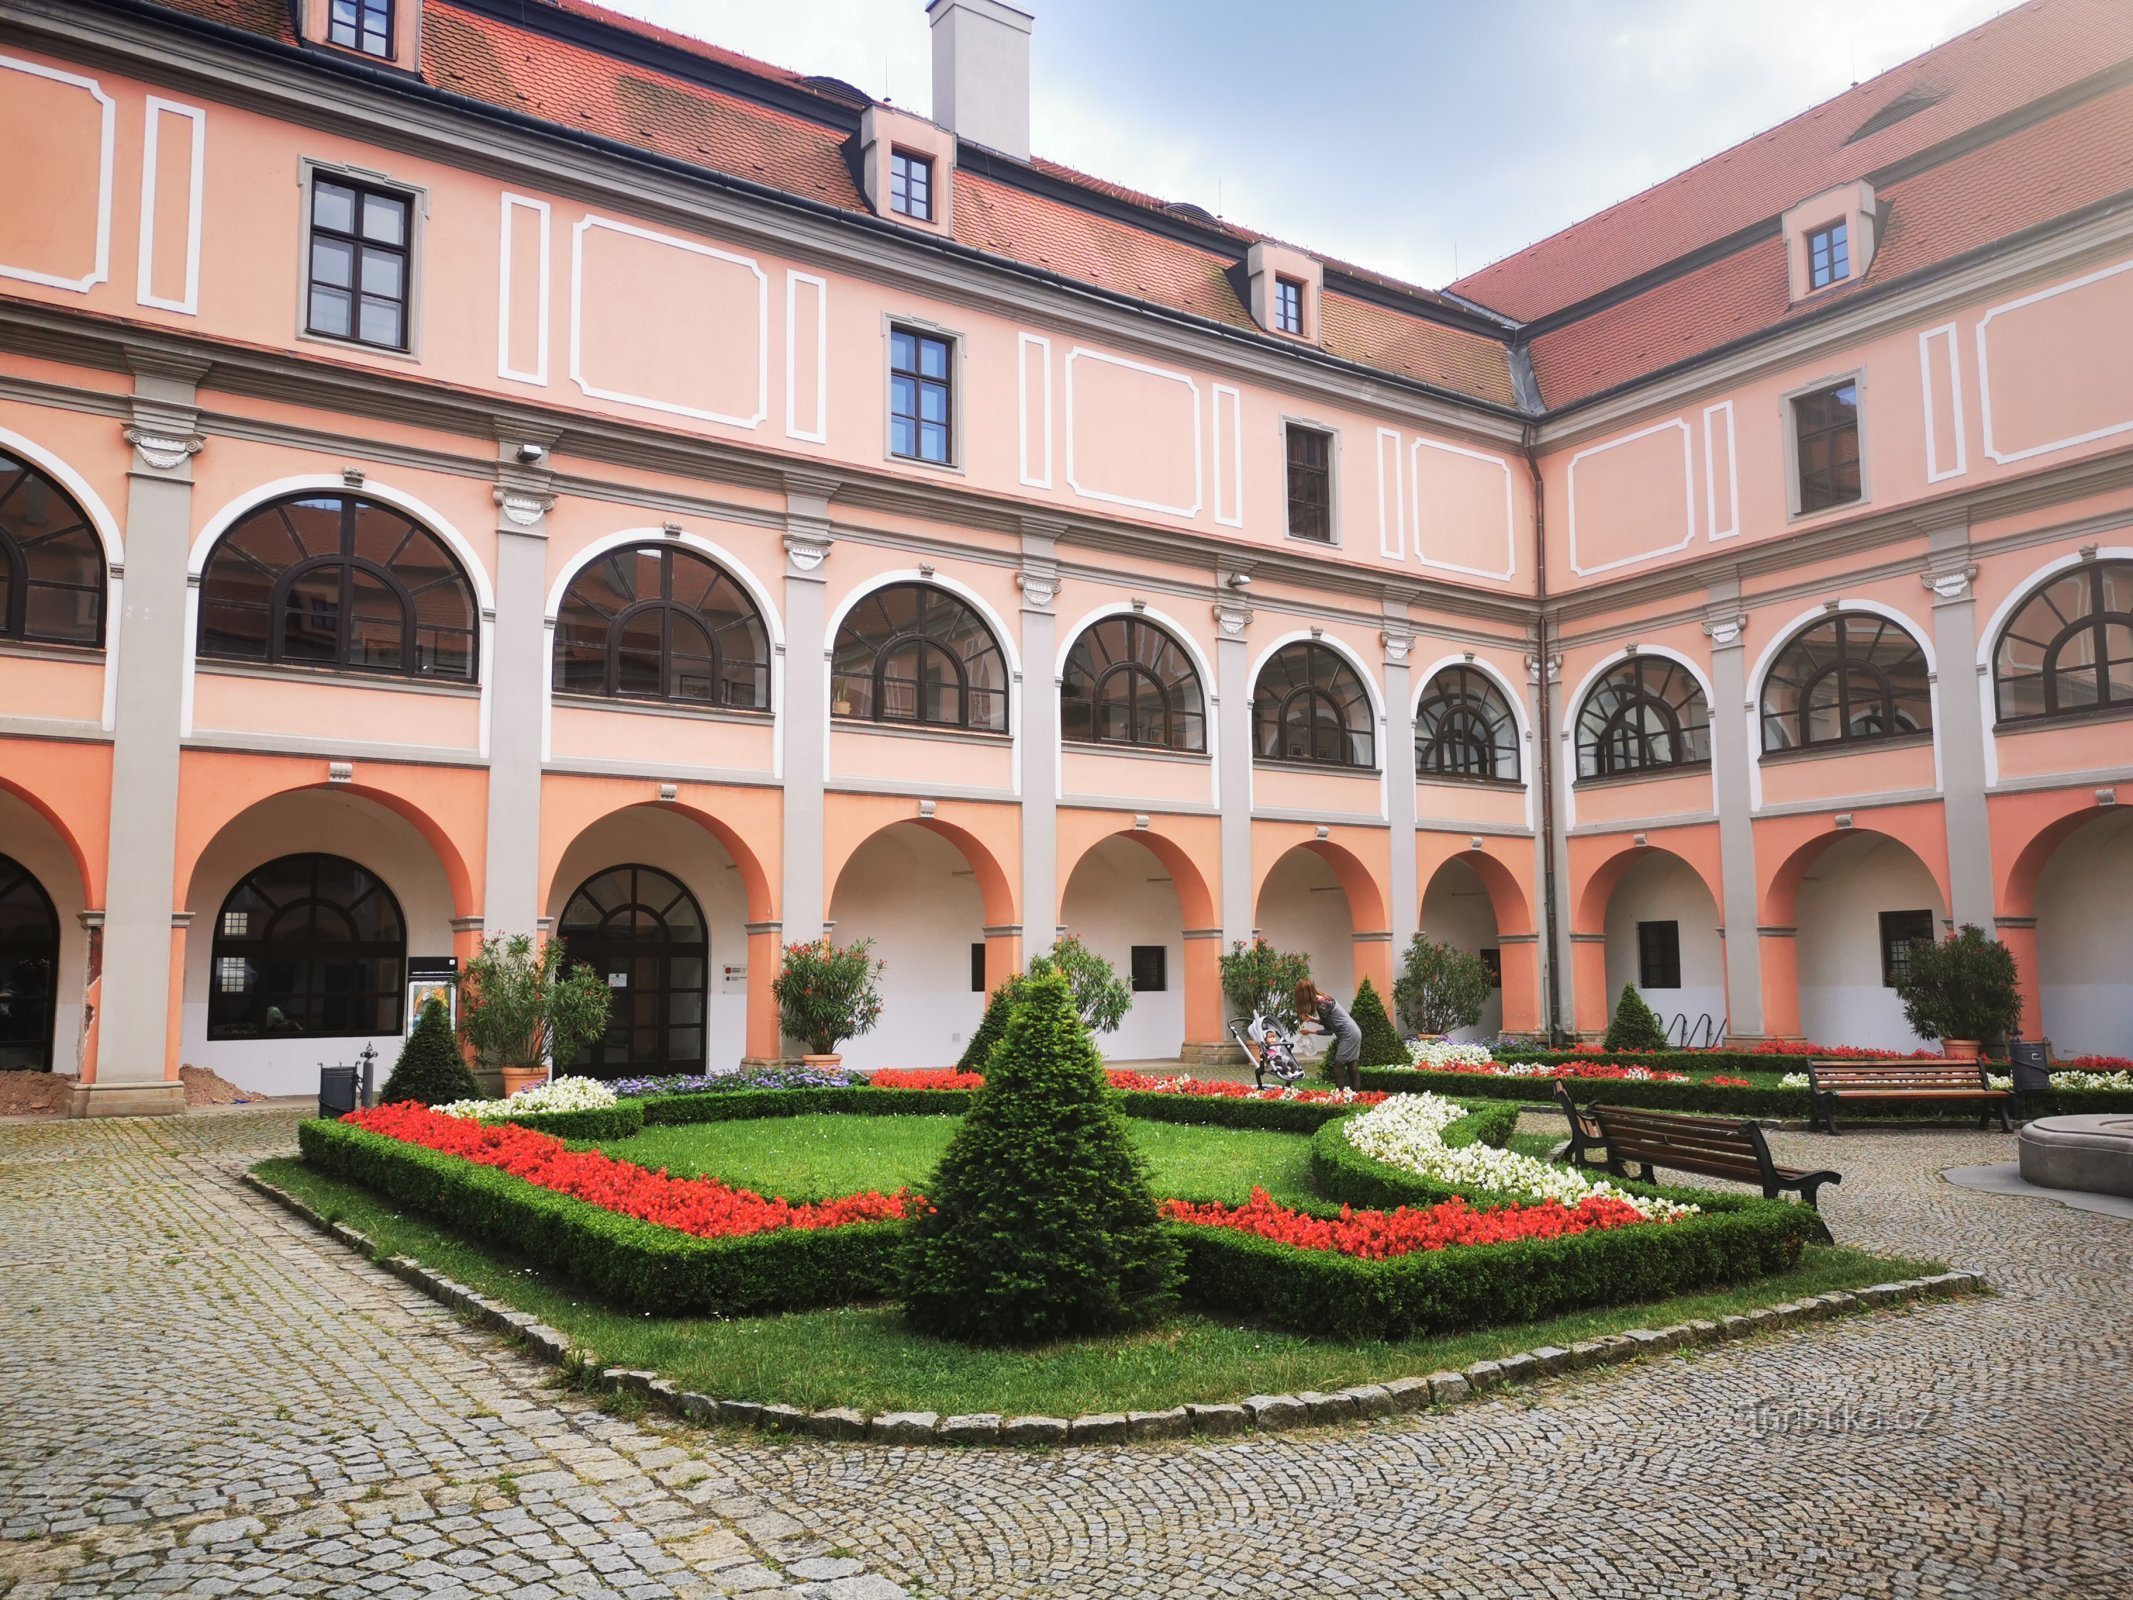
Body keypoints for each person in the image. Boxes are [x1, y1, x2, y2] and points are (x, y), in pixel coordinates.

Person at [1291, 979, 1362, 1091]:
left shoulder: (1321, 1006)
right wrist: (1311, 1019)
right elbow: (1330, 1023)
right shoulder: (1323, 998)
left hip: (1348, 1034)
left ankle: (1341, 1095)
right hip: (1354, 1031)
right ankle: (1356, 1095)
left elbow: (1329, 1031)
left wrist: (1310, 1032)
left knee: (1339, 1066)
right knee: (1352, 1066)